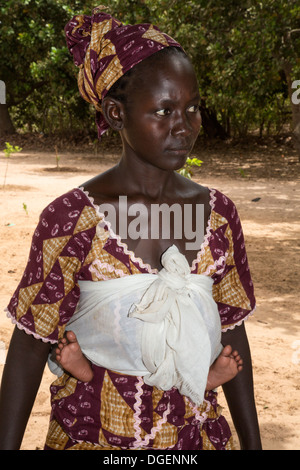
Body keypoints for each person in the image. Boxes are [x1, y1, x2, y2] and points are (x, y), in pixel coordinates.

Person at [0, 8, 262, 450]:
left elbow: (231, 328)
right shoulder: (72, 219)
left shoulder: (218, 215)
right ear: (116, 113)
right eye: (164, 111)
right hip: (94, 433)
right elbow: (29, 345)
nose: (185, 127)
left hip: (193, 438)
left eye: (193, 108)